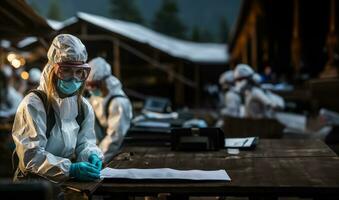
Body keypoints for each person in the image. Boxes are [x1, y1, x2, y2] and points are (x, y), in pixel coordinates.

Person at [12, 34, 103, 183]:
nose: (73, 78)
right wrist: (70, 169)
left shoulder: (84, 107)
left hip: (64, 183)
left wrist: (91, 154)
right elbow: (31, 156)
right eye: (66, 70)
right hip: (33, 185)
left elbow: (85, 142)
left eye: (79, 72)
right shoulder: (33, 105)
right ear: (52, 70)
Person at [86, 57, 132, 163]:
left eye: (94, 85)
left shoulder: (118, 103)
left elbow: (114, 138)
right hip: (102, 150)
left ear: (104, 81)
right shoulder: (94, 99)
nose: (91, 89)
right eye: (88, 85)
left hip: (117, 152)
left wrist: (97, 158)